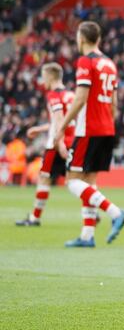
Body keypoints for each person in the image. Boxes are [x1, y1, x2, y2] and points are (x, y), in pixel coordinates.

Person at [56, 21, 124, 247]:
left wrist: (62, 127)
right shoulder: (110, 63)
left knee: (72, 180)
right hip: (107, 127)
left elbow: (80, 98)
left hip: (88, 128)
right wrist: (110, 124)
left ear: (81, 38)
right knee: (89, 182)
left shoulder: (85, 62)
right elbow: (114, 103)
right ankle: (87, 236)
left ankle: (115, 213)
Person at [16, 63, 75, 226]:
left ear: (50, 77)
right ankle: (92, 209)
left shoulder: (53, 95)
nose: (42, 81)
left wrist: (60, 142)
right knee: (74, 180)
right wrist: (40, 128)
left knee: (44, 178)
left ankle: (35, 218)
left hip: (57, 143)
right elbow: (65, 121)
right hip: (71, 140)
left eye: (43, 77)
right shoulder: (70, 95)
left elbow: (58, 120)